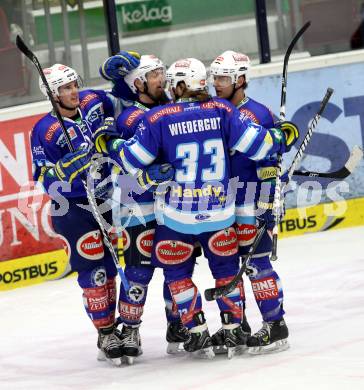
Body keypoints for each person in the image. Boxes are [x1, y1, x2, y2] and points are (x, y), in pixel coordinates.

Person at [93, 58, 299, 358]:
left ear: (178, 85)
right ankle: (233, 329)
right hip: (221, 214)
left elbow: (131, 159)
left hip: (178, 217)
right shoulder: (222, 111)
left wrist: (109, 144)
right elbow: (261, 146)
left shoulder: (159, 117)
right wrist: (282, 136)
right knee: (227, 269)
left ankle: (196, 330)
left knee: (176, 273)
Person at [30, 58, 166, 366]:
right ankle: (105, 332)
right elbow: (43, 177)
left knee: (116, 268)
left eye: (74, 84)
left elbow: (120, 97)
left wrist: (114, 80)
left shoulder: (91, 101)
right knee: (96, 274)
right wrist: (65, 169)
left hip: (108, 202)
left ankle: (126, 328)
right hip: (74, 208)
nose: (74, 91)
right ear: (52, 94)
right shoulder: (45, 130)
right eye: (65, 88)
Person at [98, 54, 188, 362]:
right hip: (138, 204)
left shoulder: (172, 109)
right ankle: (130, 327)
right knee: (138, 270)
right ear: (138, 83)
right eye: (155, 75)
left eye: (163, 72)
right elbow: (120, 169)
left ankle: (178, 325)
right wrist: (146, 177)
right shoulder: (128, 120)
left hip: (175, 200)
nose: (162, 79)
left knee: (178, 264)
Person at [209, 50, 290, 354]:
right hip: (221, 204)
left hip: (251, 202)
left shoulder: (258, 114)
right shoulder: (212, 110)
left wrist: (268, 202)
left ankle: (275, 323)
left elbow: (270, 163)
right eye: (215, 77)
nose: (217, 83)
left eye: (224, 78)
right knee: (227, 266)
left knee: (256, 264)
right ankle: (236, 325)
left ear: (241, 80)